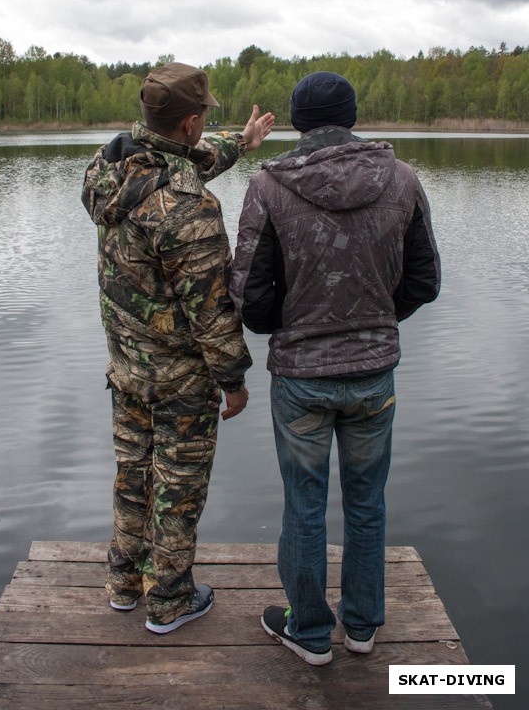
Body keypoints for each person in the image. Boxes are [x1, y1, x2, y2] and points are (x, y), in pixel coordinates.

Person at [230, 72, 440, 665]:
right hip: (373, 372)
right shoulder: (402, 180)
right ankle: (364, 627)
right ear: (350, 115)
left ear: (298, 122)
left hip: (301, 377)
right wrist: (375, 319)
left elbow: (247, 292)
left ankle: (311, 633)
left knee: (305, 505)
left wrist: (288, 327)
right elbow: (425, 280)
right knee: (368, 503)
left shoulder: (269, 186)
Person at [82, 62, 274, 634]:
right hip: (181, 381)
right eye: (204, 118)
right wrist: (234, 381)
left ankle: (123, 582)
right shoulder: (189, 208)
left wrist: (242, 143)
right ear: (190, 122)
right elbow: (212, 312)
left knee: (132, 474)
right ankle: (169, 599)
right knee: (178, 487)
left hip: (126, 369)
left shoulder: (109, 169)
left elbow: (187, 167)